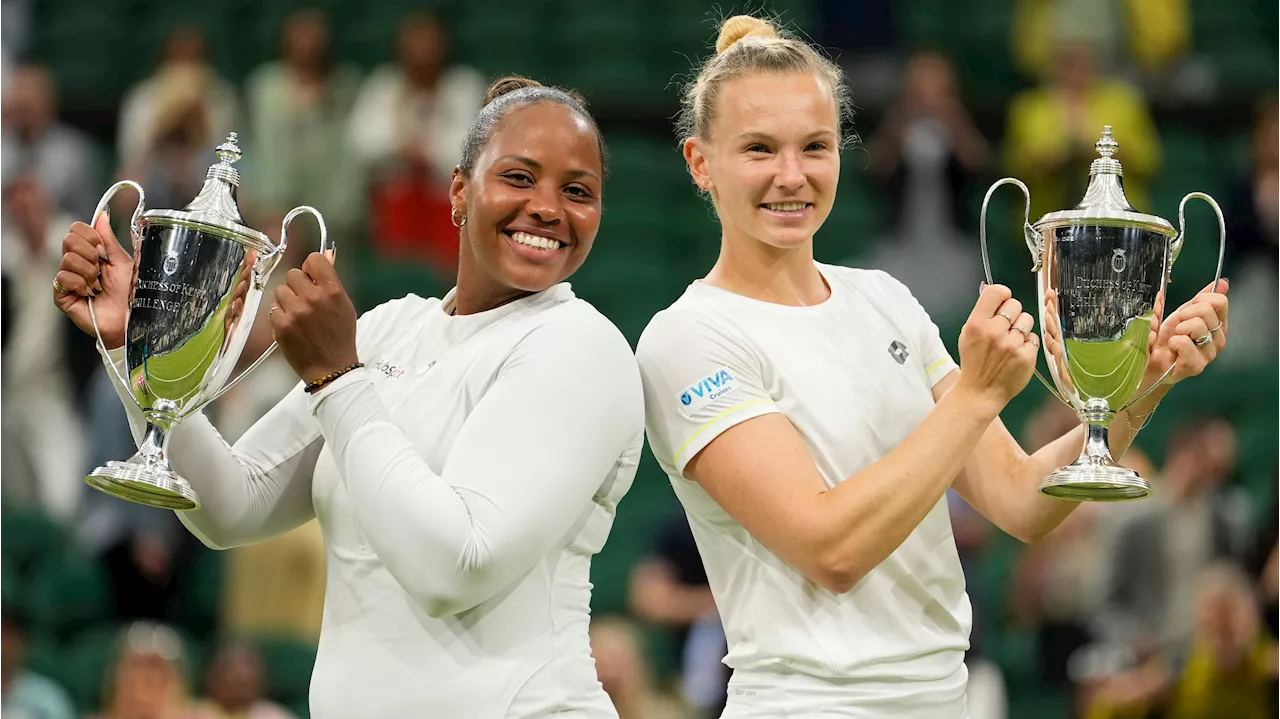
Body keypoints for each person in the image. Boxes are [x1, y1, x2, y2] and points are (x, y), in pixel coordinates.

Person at [635, 14, 1231, 718]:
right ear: (700, 163)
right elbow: (831, 549)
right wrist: (975, 396)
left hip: (945, 698)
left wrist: (1142, 388)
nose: (791, 175)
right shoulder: (688, 338)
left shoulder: (884, 300)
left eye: (815, 147)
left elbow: (1020, 501)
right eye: (759, 149)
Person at [53, 76, 644, 718]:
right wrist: (136, 343)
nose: (549, 208)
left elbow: (459, 569)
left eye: (577, 191)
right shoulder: (390, 329)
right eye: (520, 177)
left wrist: (338, 380)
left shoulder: (582, 346)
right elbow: (230, 506)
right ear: (458, 192)